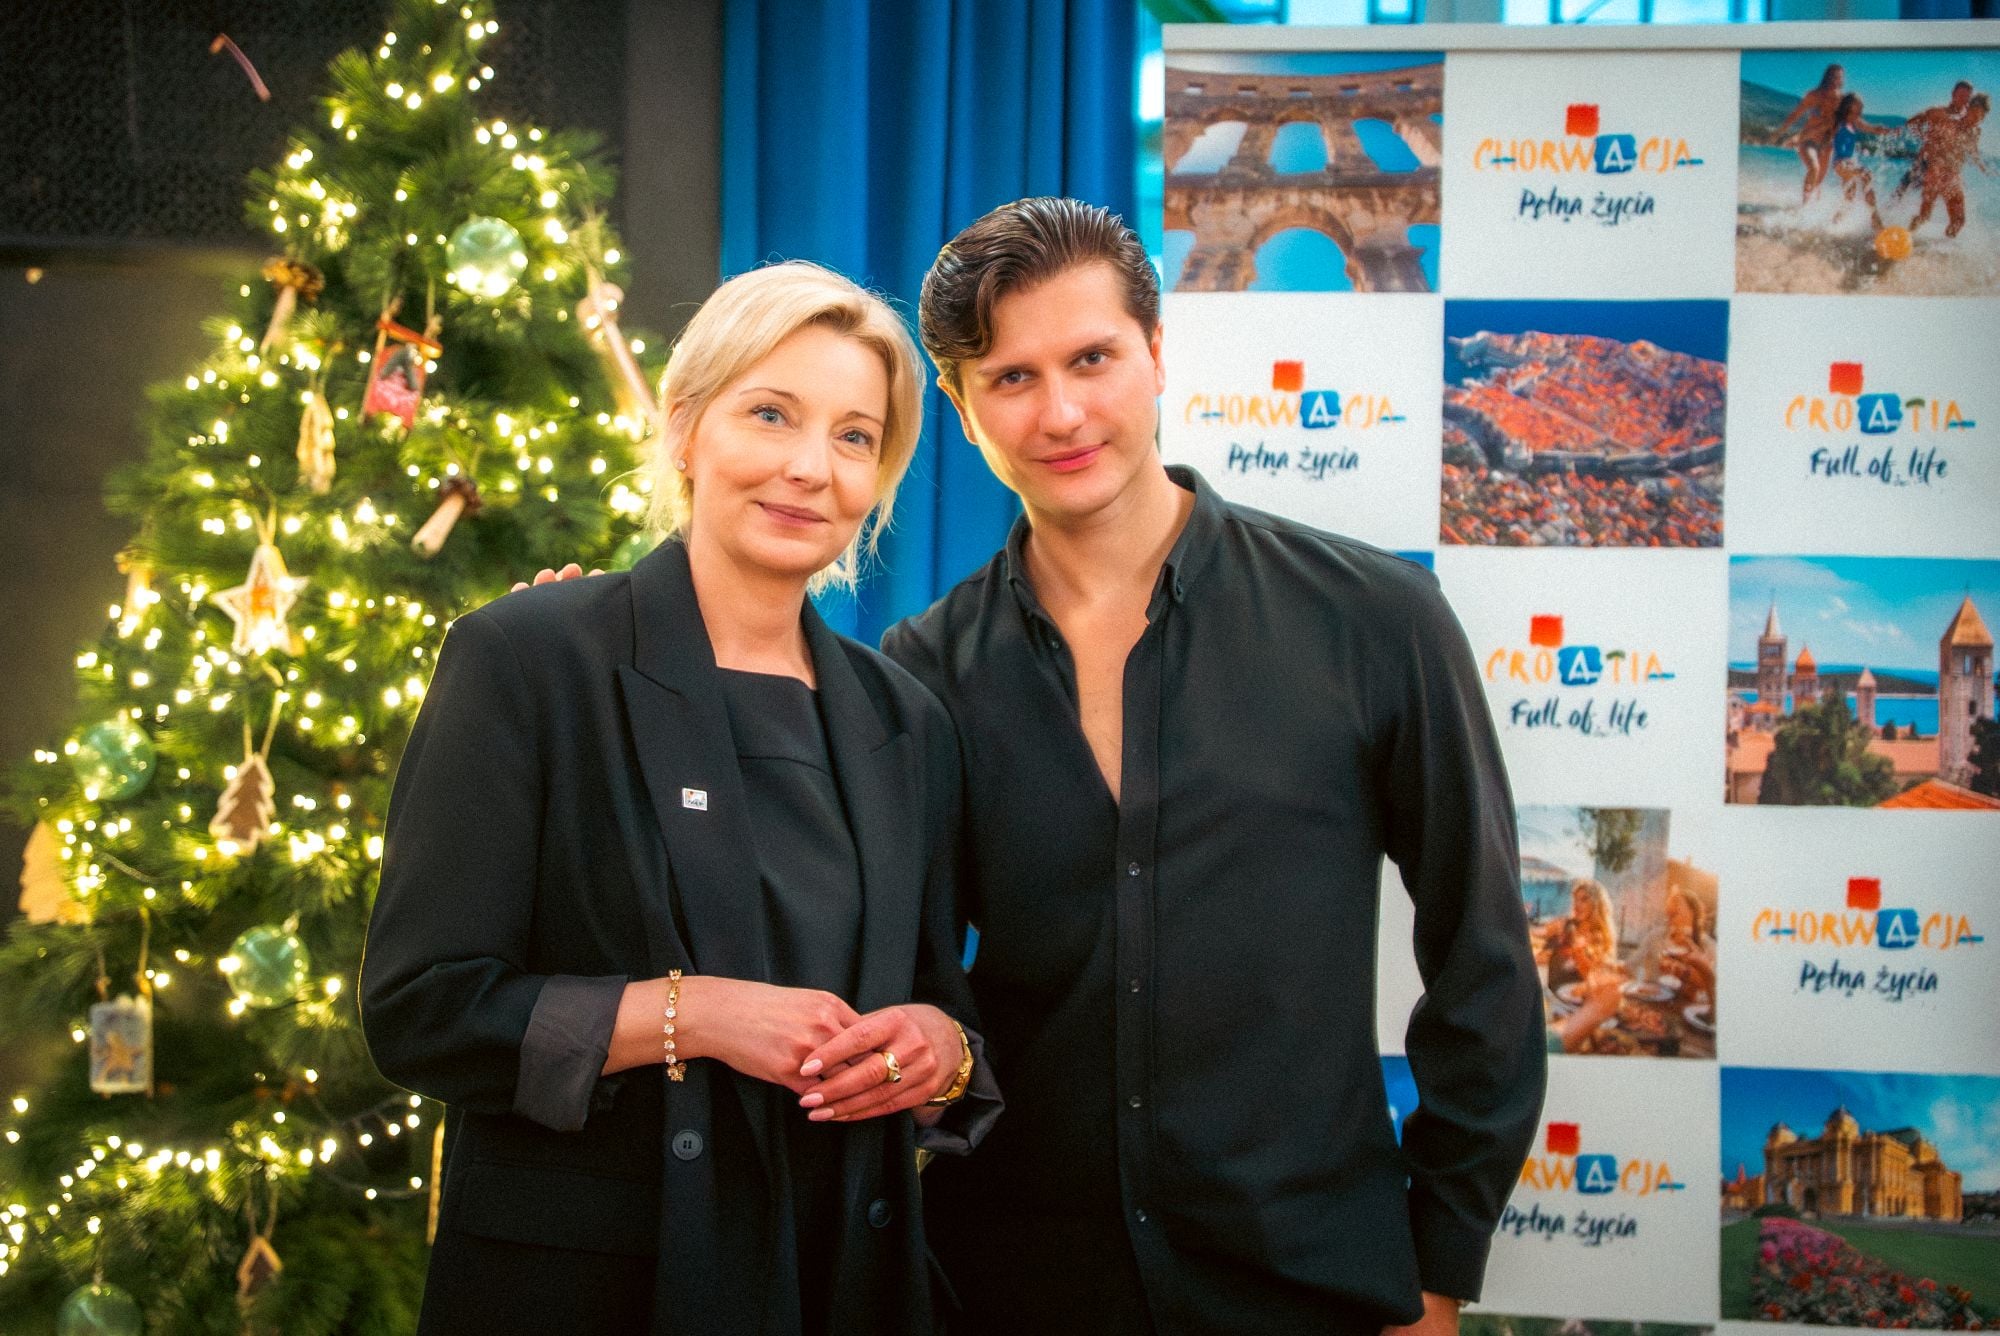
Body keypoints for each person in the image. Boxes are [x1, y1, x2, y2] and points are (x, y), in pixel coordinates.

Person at [868, 198, 1546, 1336]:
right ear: (959, 404)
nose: (1062, 412)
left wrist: (1437, 1266)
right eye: (1012, 378)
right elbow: (919, 980)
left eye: (1092, 358)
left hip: (1313, 1282)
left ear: (1157, 352)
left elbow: (1483, 961)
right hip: (1017, 1290)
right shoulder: (921, 669)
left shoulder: (1374, 619)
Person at [360, 260, 998, 1335]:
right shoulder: (529, 659)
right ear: (685, 426)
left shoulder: (906, 718)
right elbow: (423, 1010)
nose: (809, 467)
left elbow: (941, 992)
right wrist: (690, 1014)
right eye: (770, 414)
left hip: (843, 1277)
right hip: (598, 1290)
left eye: (854, 437)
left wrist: (943, 1048)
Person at [1911, 92, 1992, 239]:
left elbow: (1973, 151)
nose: (1976, 119)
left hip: (1953, 175)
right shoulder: (1950, 124)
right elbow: (1929, 144)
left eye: (1981, 117)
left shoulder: (1976, 132)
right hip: (1936, 173)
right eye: (1974, 114)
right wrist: (1920, 165)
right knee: (1925, 215)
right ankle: (1907, 236)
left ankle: (1941, 249)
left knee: (1959, 221)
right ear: (1968, 109)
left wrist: (1983, 167)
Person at [1891, 80, 1974, 202]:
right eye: (1961, 95)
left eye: (1967, 97)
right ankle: (1883, 212)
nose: (1964, 100)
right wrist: (1924, 137)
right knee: (1899, 196)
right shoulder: (1938, 112)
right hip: (1925, 162)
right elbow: (1912, 122)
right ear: (1953, 94)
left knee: (1952, 200)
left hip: (1946, 168)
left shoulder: (1966, 122)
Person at [1774, 63, 1845, 203]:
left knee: (1818, 182)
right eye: (1833, 77)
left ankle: (1812, 209)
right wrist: (1780, 131)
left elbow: (1835, 124)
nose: (1835, 81)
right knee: (1814, 168)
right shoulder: (1814, 95)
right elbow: (1796, 114)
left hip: (1827, 144)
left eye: (1839, 78)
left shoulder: (1841, 102)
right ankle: (1805, 206)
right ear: (1827, 78)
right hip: (1808, 140)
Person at [1539, 877, 1619, 994]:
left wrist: (1578, 955)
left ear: (1596, 903)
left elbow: (1595, 976)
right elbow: (1541, 950)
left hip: (1586, 990)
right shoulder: (1567, 925)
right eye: (1575, 900)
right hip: (1560, 990)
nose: (1577, 905)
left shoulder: (1602, 935)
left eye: (1584, 899)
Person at [1825, 93, 1892, 230]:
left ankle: (1832, 226)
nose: (1862, 106)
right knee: (1866, 174)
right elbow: (1822, 130)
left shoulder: (1856, 122)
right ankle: (1875, 218)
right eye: (1859, 104)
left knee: (1849, 199)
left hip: (1850, 163)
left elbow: (1872, 129)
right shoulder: (1838, 122)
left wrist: (1882, 130)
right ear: (1850, 106)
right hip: (1840, 163)